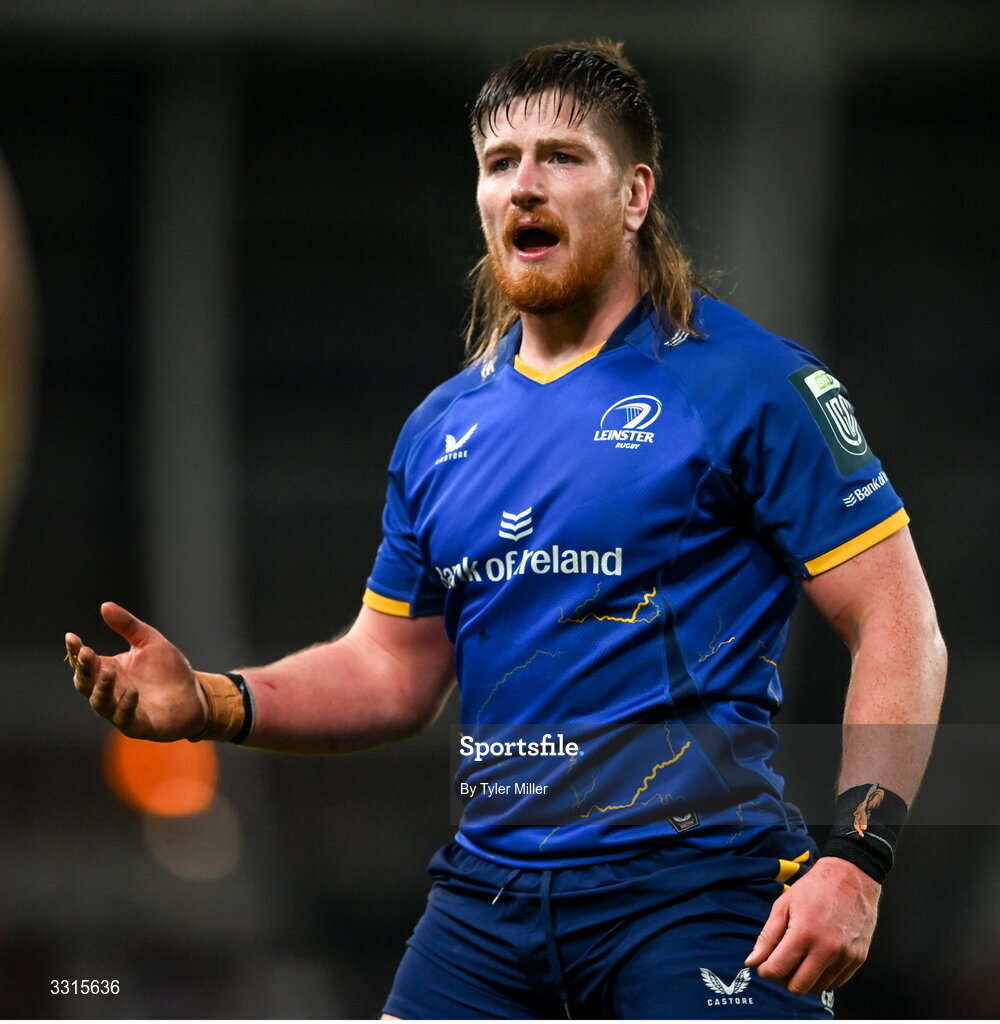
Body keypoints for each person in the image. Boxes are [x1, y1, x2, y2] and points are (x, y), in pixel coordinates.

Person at [67, 40, 946, 1019]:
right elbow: (389, 672)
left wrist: (857, 861)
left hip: (698, 895)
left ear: (634, 194)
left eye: (562, 157)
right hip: (487, 910)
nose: (524, 185)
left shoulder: (754, 386)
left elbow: (899, 624)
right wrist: (211, 700)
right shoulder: (443, 428)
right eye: (499, 163)